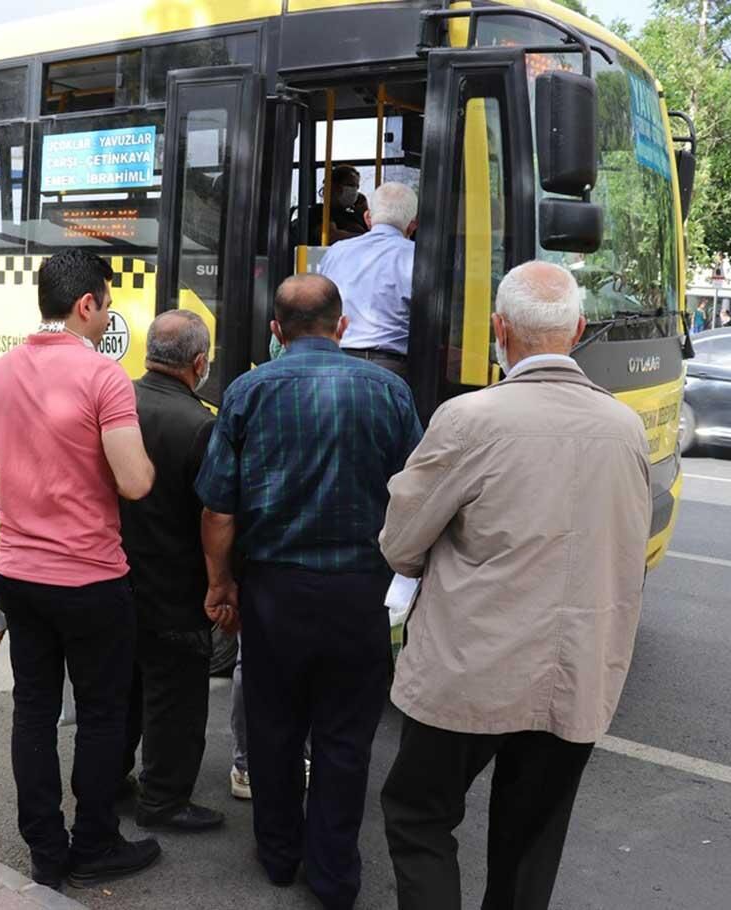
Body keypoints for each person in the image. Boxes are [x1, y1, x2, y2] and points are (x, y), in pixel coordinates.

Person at [379, 261, 652, 910]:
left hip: (471, 665)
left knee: (418, 816)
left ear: (499, 330)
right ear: (578, 331)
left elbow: (400, 542)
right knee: (530, 845)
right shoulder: (625, 427)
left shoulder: (469, 418)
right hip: (575, 669)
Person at [195, 274, 423, 910]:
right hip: (361, 592)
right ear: (341, 326)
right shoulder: (389, 390)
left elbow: (218, 509)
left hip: (274, 591)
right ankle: (334, 874)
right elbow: (416, 492)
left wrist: (220, 584)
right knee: (345, 738)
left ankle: (277, 854)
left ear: (276, 330)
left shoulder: (247, 391)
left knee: (273, 728)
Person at [0, 249, 161, 891]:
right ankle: (95, 842)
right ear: (86, 304)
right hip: (92, 580)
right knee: (101, 714)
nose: (108, 318)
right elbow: (135, 482)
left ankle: (46, 852)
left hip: (20, 580)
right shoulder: (105, 377)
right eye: (107, 306)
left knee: (33, 712)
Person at [118, 310, 225, 833]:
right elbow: (214, 515)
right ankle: (163, 799)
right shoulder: (201, 425)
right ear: (199, 363)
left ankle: (109, 779)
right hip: (175, 586)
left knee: (121, 689)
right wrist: (222, 584)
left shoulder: (117, 404)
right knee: (175, 699)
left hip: (113, 576)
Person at [316, 182, 418, 378]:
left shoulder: (336, 252)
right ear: (413, 224)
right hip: (392, 368)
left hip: (337, 364)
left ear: (368, 218)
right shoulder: (417, 256)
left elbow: (322, 304)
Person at [302, 165, 369, 245]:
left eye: (357, 187)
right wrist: (366, 238)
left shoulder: (354, 215)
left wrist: (365, 212)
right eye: (351, 185)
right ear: (335, 187)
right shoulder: (320, 211)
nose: (355, 190)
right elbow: (330, 236)